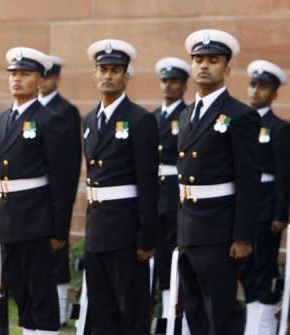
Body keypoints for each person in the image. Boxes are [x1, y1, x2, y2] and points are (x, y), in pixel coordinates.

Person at [177, 29, 260, 335]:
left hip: (220, 231)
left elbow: (249, 181)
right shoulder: (186, 115)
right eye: (198, 59)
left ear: (227, 69)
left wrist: (243, 236)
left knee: (221, 313)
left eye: (213, 60)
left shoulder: (240, 115)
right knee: (195, 310)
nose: (204, 66)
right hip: (189, 229)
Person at [0, 46, 74, 335]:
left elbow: (63, 180)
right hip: (9, 219)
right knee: (19, 288)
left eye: (25, 74)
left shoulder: (50, 119)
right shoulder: (2, 120)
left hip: (36, 220)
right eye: (13, 74)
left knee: (41, 291)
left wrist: (59, 230)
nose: (17, 79)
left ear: (40, 80)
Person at [83, 39, 158, 335]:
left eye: (115, 70)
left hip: (126, 230)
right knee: (101, 309)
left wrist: (146, 236)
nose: (108, 75)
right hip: (97, 228)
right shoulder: (89, 119)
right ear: (95, 74)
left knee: (132, 309)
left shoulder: (140, 120)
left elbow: (148, 181)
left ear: (127, 76)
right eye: (103, 69)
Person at [241, 59, 290, 335]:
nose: (256, 91)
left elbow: (284, 175)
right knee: (245, 269)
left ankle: (264, 327)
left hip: (265, 207)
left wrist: (280, 214)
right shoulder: (239, 122)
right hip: (243, 208)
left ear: (274, 93)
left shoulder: (279, 128)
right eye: (253, 85)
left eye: (263, 87)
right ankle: (252, 324)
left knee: (263, 268)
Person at [38, 54, 81, 327]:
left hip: (55, 189)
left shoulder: (65, 111)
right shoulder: (28, 110)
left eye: (49, 76)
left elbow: (68, 165)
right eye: (40, 76)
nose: (43, 82)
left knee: (57, 253)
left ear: (57, 79)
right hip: (30, 196)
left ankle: (61, 308)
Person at [152, 57, 190, 317]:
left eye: (174, 81)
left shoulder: (186, 115)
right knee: (157, 255)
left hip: (176, 192)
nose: (168, 86)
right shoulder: (152, 117)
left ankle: (173, 313)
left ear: (184, 85)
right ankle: (161, 311)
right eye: (164, 80)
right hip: (155, 192)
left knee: (175, 254)